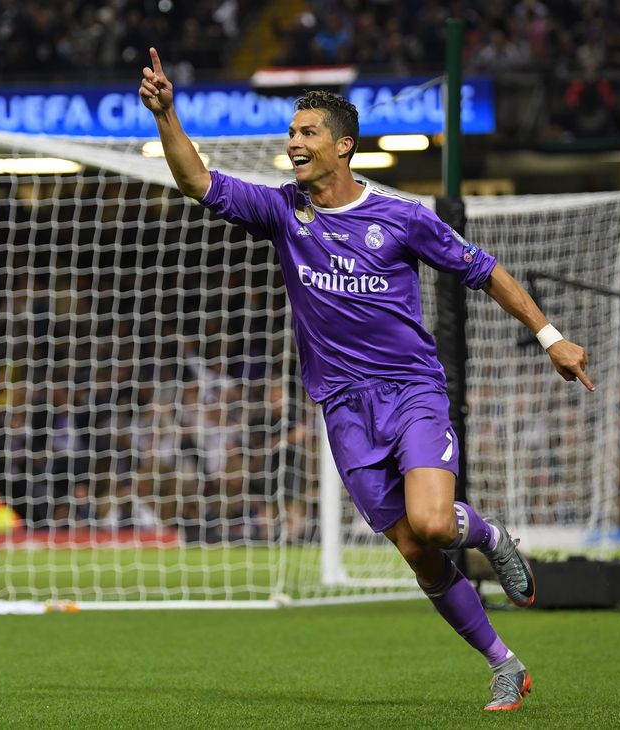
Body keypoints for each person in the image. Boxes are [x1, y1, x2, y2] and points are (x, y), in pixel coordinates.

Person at [140, 47, 595, 711]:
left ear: (343, 146)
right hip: (343, 408)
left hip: (412, 391)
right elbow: (196, 182)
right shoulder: (280, 212)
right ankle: (503, 662)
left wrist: (550, 337)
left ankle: (490, 536)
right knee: (417, 551)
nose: (293, 143)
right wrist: (166, 116)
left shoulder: (402, 217)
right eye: (292, 133)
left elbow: (485, 269)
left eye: (307, 133)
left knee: (434, 523)